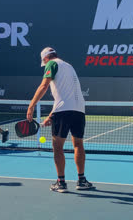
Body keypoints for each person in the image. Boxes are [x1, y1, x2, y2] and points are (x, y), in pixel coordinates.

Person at [27, 47, 93, 193]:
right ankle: (81, 180)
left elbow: (44, 85)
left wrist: (31, 106)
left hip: (64, 112)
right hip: (79, 110)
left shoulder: (51, 64)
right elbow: (64, 97)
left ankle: (61, 182)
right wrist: (51, 115)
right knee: (78, 144)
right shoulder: (69, 66)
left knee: (57, 147)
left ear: (45, 59)